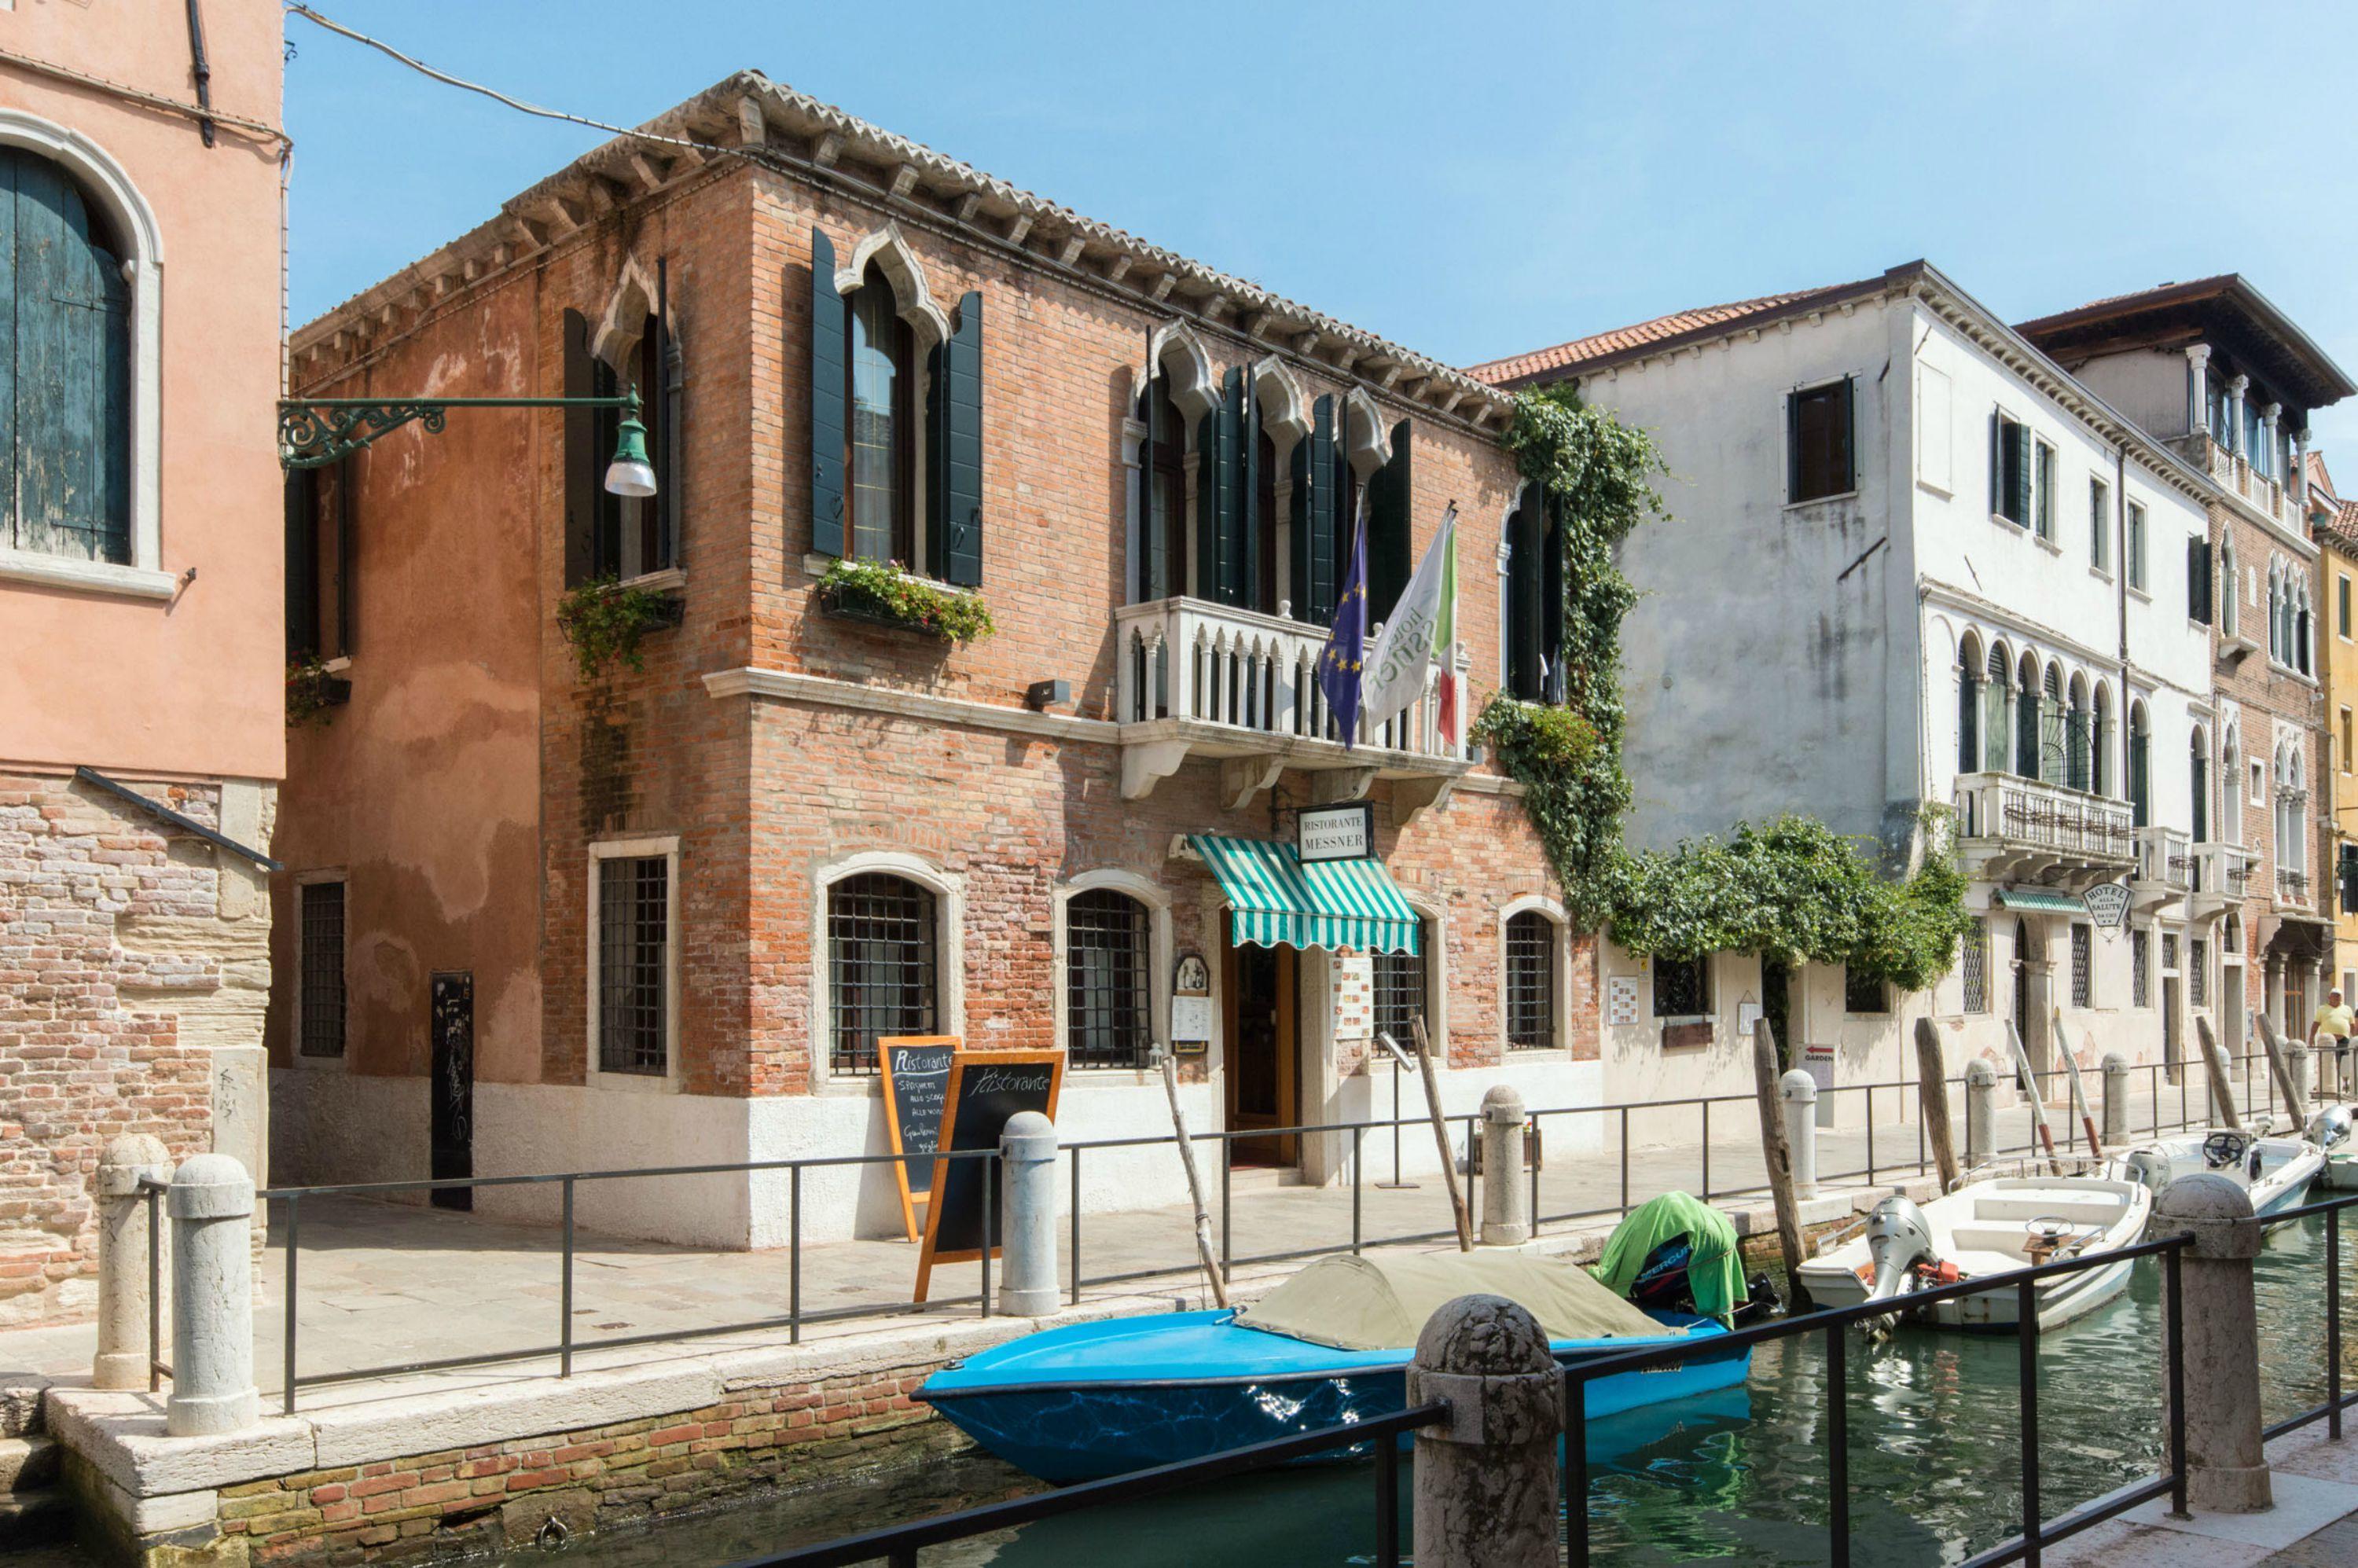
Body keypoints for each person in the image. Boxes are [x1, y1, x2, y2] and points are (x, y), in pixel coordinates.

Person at [2311, 987, 2355, 1096]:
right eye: (2334, 995)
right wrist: (2311, 1037)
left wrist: (2355, 1039)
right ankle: (2322, 1083)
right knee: (2326, 1062)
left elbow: (2352, 1024)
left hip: (2344, 1039)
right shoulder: (2322, 1009)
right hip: (2328, 1040)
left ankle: (2345, 1083)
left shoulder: (2347, 1009)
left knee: (2344, 1062)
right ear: (2329, 997)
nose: (2336, 997)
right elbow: (2316, 1023)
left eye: (2339, 995)